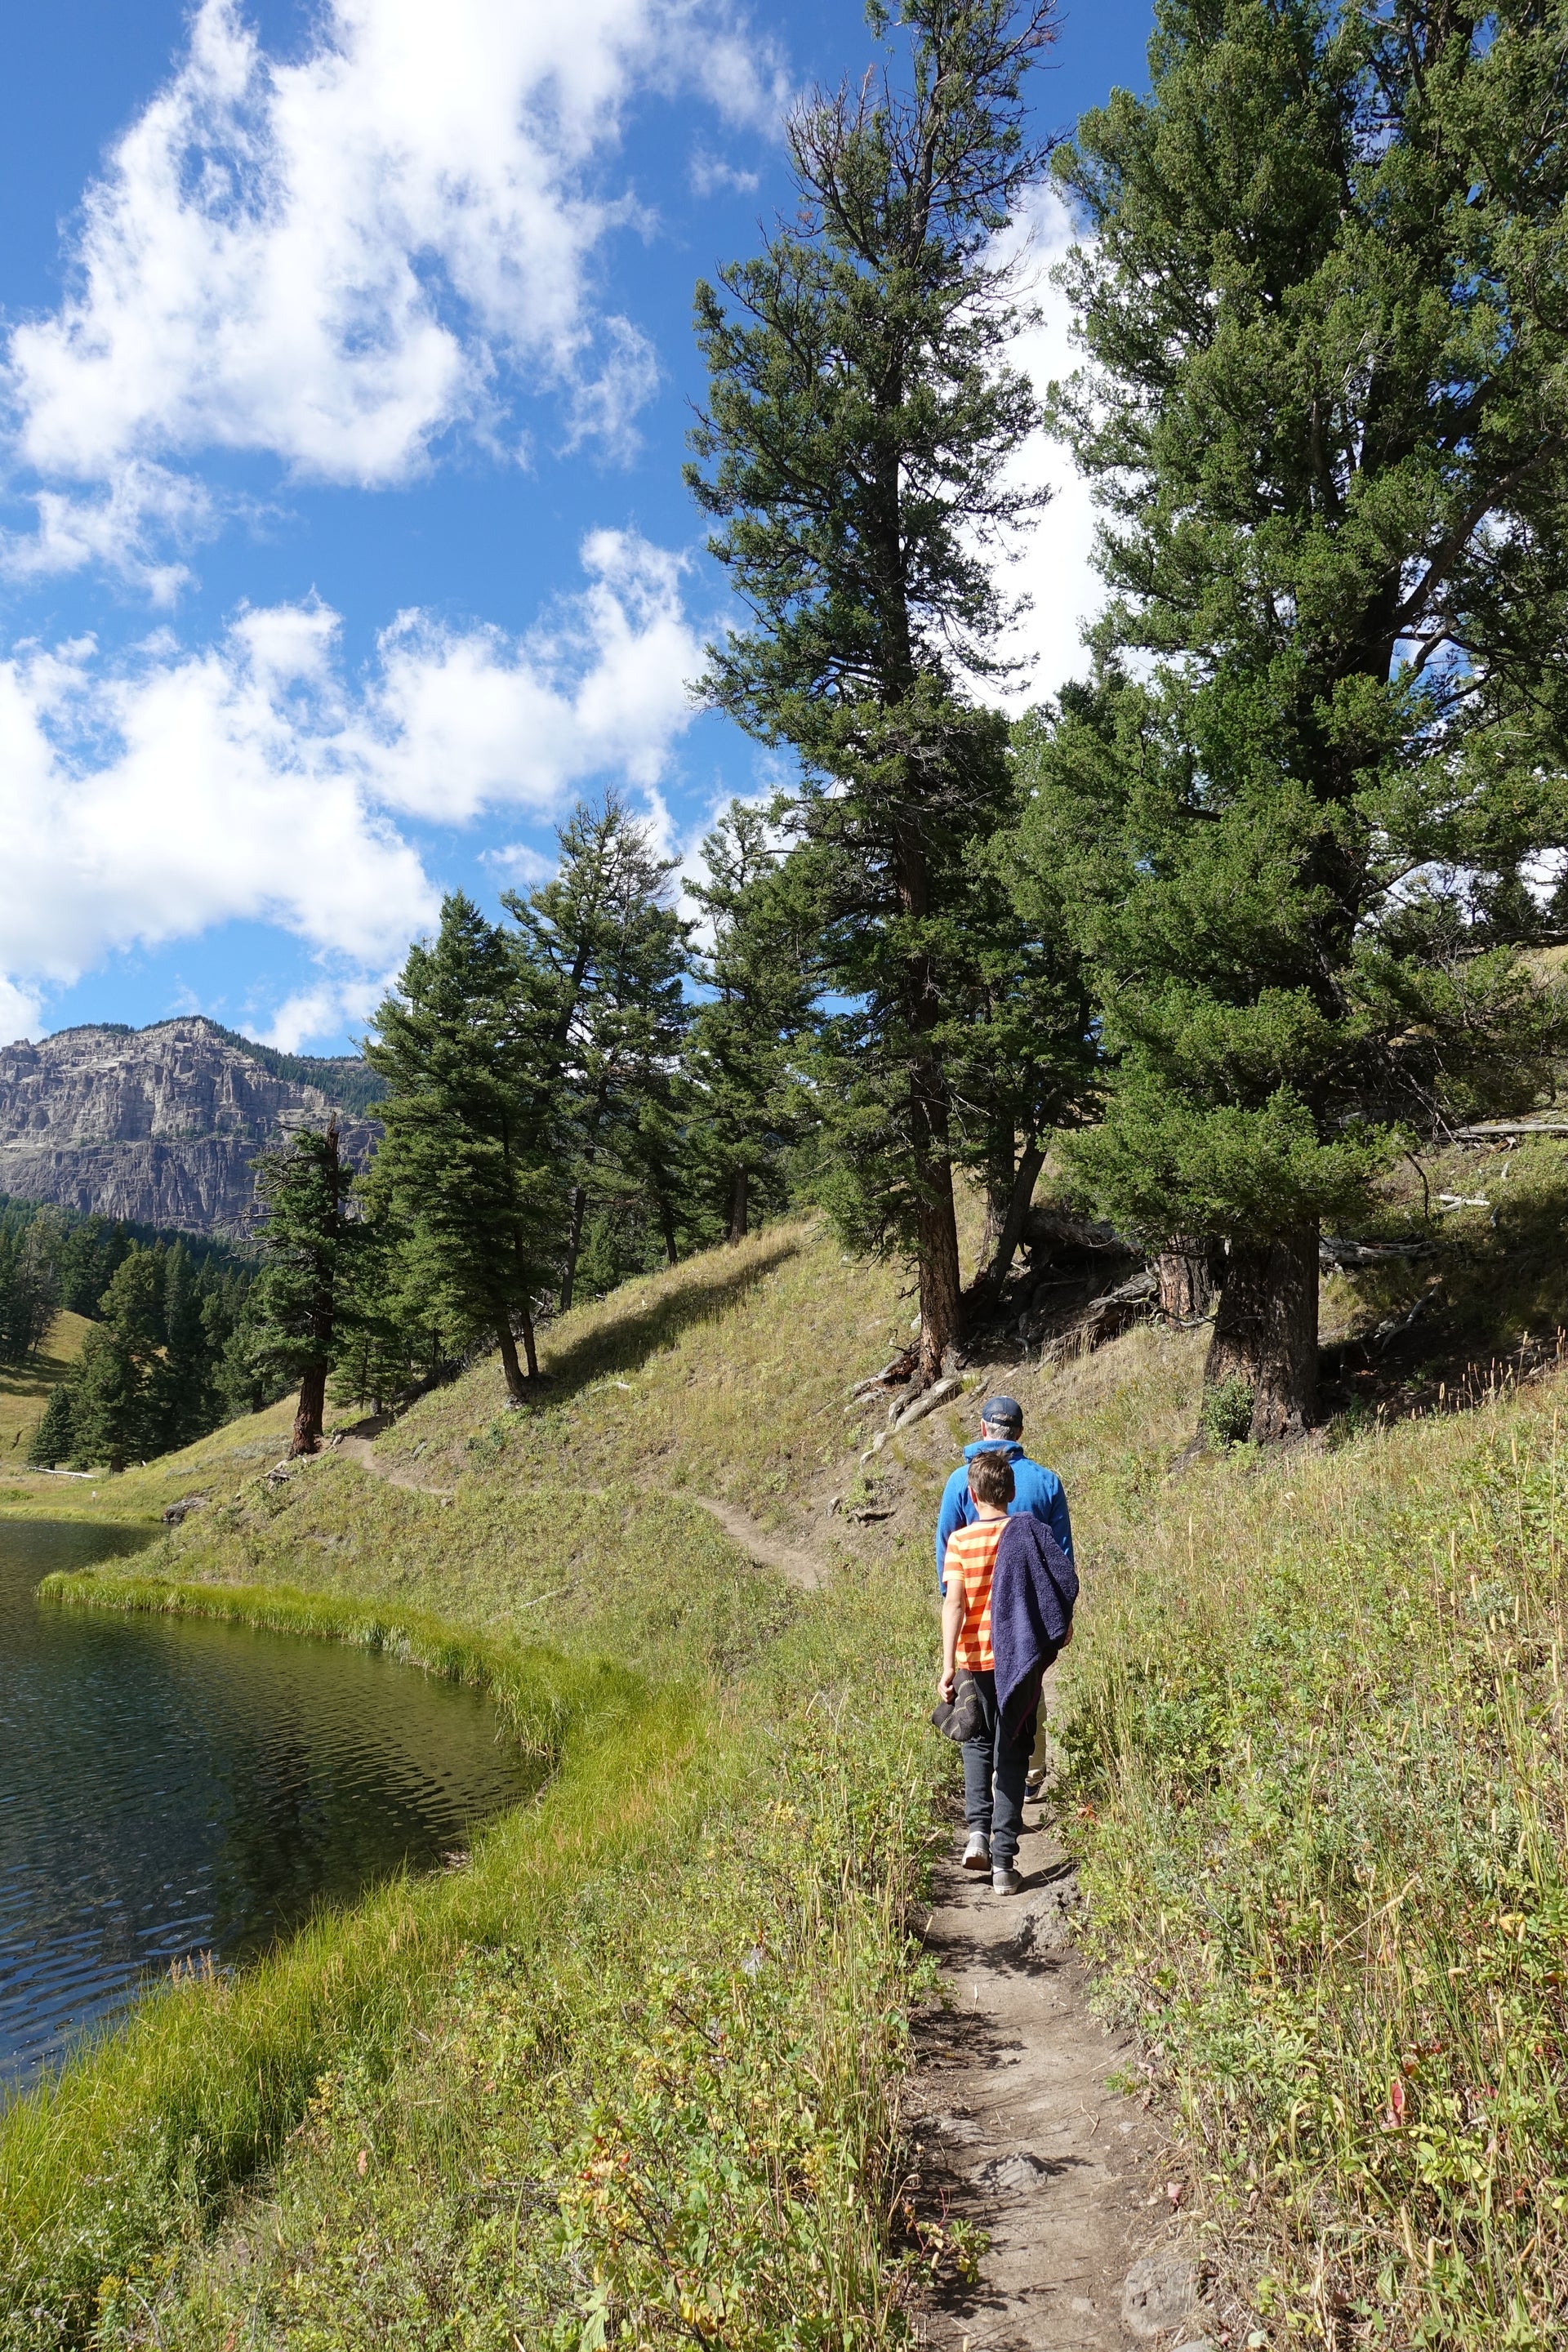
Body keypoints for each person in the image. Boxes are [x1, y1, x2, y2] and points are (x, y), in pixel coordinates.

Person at [935, 1394, 1072, 1802]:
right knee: (1028, 1685)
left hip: (975, 1616)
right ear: (1020, 1433)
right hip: (1029, 1613)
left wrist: (954, 1606)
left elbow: (946, 1550)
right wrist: (1062, 1615)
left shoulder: (960, 1481)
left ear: (982, 1430)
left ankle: (986, 1788)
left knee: (979, 1701)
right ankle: (1027, 1774)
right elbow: (1062, 1559)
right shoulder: (1046, 1482)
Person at [938, 1449, 1033, 1895]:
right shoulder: (1022, 1533)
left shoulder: (959, 1542)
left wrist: (948, 1666)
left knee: (975, 1743)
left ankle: (977, 1833)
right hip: (1016, 1662)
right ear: (1011, 1493)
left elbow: (954, 1604)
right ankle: (1003, 1864)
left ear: (972, 1496)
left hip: (972, 1661)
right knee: (1012, 1751)